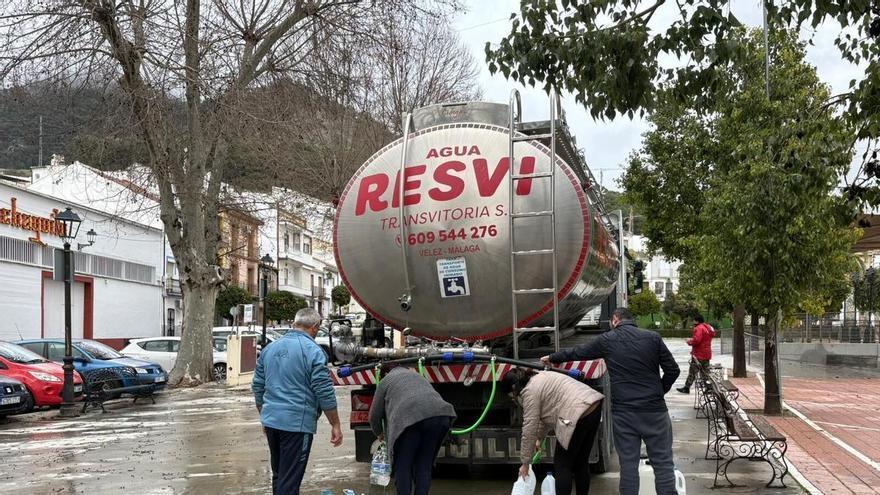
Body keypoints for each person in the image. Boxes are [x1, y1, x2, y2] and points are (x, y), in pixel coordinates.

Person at [541, 307, 680, 495]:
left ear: (615, 319)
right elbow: (673, 370)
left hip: (624, 414)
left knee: (628, 466)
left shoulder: (608, 340)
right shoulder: (653, 338)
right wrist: (659, 392)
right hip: (654, 412)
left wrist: (552, 358)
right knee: (663, 464)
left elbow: (578, 352)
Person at [252, 307, 343, 495]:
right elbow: (323, 391)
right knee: (290, 481)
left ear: (295, 323)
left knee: (279, 475)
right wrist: (335, 424)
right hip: (296, 425)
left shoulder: (269, 349)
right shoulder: (314, 352)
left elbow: (258, 387)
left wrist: (264, 416)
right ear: (315, 327)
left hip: (272, 422)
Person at [504, 367, 604, 495]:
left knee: (562, 464)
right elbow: (545, 414)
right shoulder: (539, 377)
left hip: (577, 412)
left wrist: (525, 463)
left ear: (513, 388)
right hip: (593, 405)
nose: (514, 399)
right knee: (581, 462)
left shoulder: (528, 392)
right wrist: (539, 437)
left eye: (512, 397)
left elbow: (529, 427)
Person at [369, 363, 456, 495]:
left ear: (385, 374)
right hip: (441, 416)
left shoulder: (386, 380)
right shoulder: (417, 376)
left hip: (409, 420)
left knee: (403, 465)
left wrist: (379, 433)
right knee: (424, 465)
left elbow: (374, 415)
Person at [677, 314, 716, 394]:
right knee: (705, 372)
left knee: (692, 372)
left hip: (698, 354)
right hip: (707, 353)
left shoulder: (698, 328)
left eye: (694, 320)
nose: (693, 322)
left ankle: (686, 388)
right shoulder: (708, 327)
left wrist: (689, 341)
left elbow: (697, 340)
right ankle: (709, 388)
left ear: (697, 321)